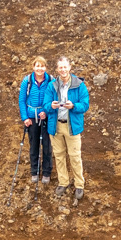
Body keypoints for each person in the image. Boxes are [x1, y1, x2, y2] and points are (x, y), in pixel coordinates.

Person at [43, 56, 90, 204]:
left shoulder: (79, 85)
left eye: (65, 67)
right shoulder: (52, 86)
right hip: (55, 125)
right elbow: (45, 105)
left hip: (72, 126)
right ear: (57, 70)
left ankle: (79, 185)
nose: (63, 70)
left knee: (75, 156)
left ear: (69, 68)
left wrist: (74, 106)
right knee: (59, 155)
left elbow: (85, 105)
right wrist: (51, 106)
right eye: (60, 67)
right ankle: (63, 182)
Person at [16, 56, 52, 185]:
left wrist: (46, 111)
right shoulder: (27, 81)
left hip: (46, 116)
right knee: (34, 145)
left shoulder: (50, 81)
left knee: (47, 145)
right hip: (31, 118)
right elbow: (22, 100)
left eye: (42, 66)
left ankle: (47, 172)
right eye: (37, 66)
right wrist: (25, 118)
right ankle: (34, 171)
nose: (40, 69)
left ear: (45, 68)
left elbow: (54, 98)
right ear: (33, 67)